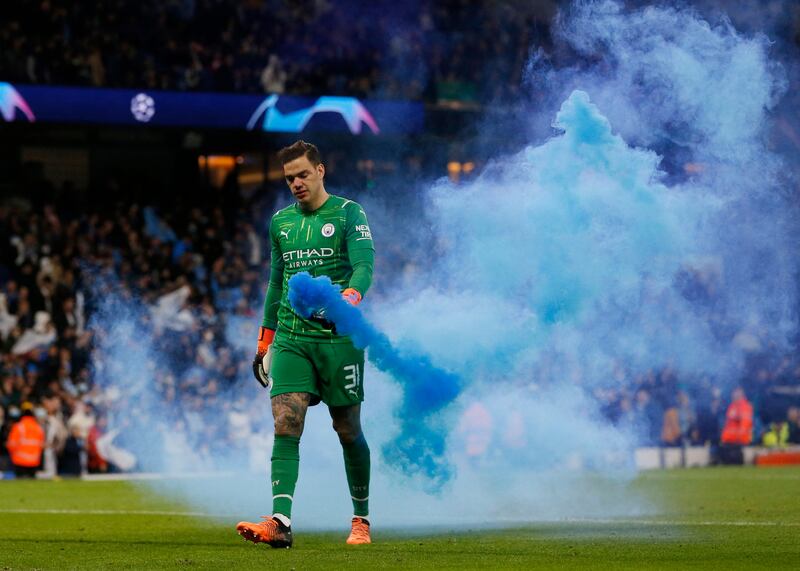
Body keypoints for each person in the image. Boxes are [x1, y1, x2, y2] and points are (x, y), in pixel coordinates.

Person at [236, 141, 375, 548]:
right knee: (286, 421)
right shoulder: (280, 222)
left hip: (339, 339)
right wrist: (265, 343)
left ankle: (361, 519)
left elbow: (364, 264)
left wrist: (349, 297)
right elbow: (276, 283)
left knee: (347, 429)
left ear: (320, 171)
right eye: (289, 178)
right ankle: (280, 522)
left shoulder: (350, 213)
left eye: (302, 174)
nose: (295, 183)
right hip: (293, 338)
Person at [5, 402, 45, 478]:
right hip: (34, 461)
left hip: (19, 461)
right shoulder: (38, 428)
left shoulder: (18, 427)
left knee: (19, 484)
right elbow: (41, 445)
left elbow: (11, 445)